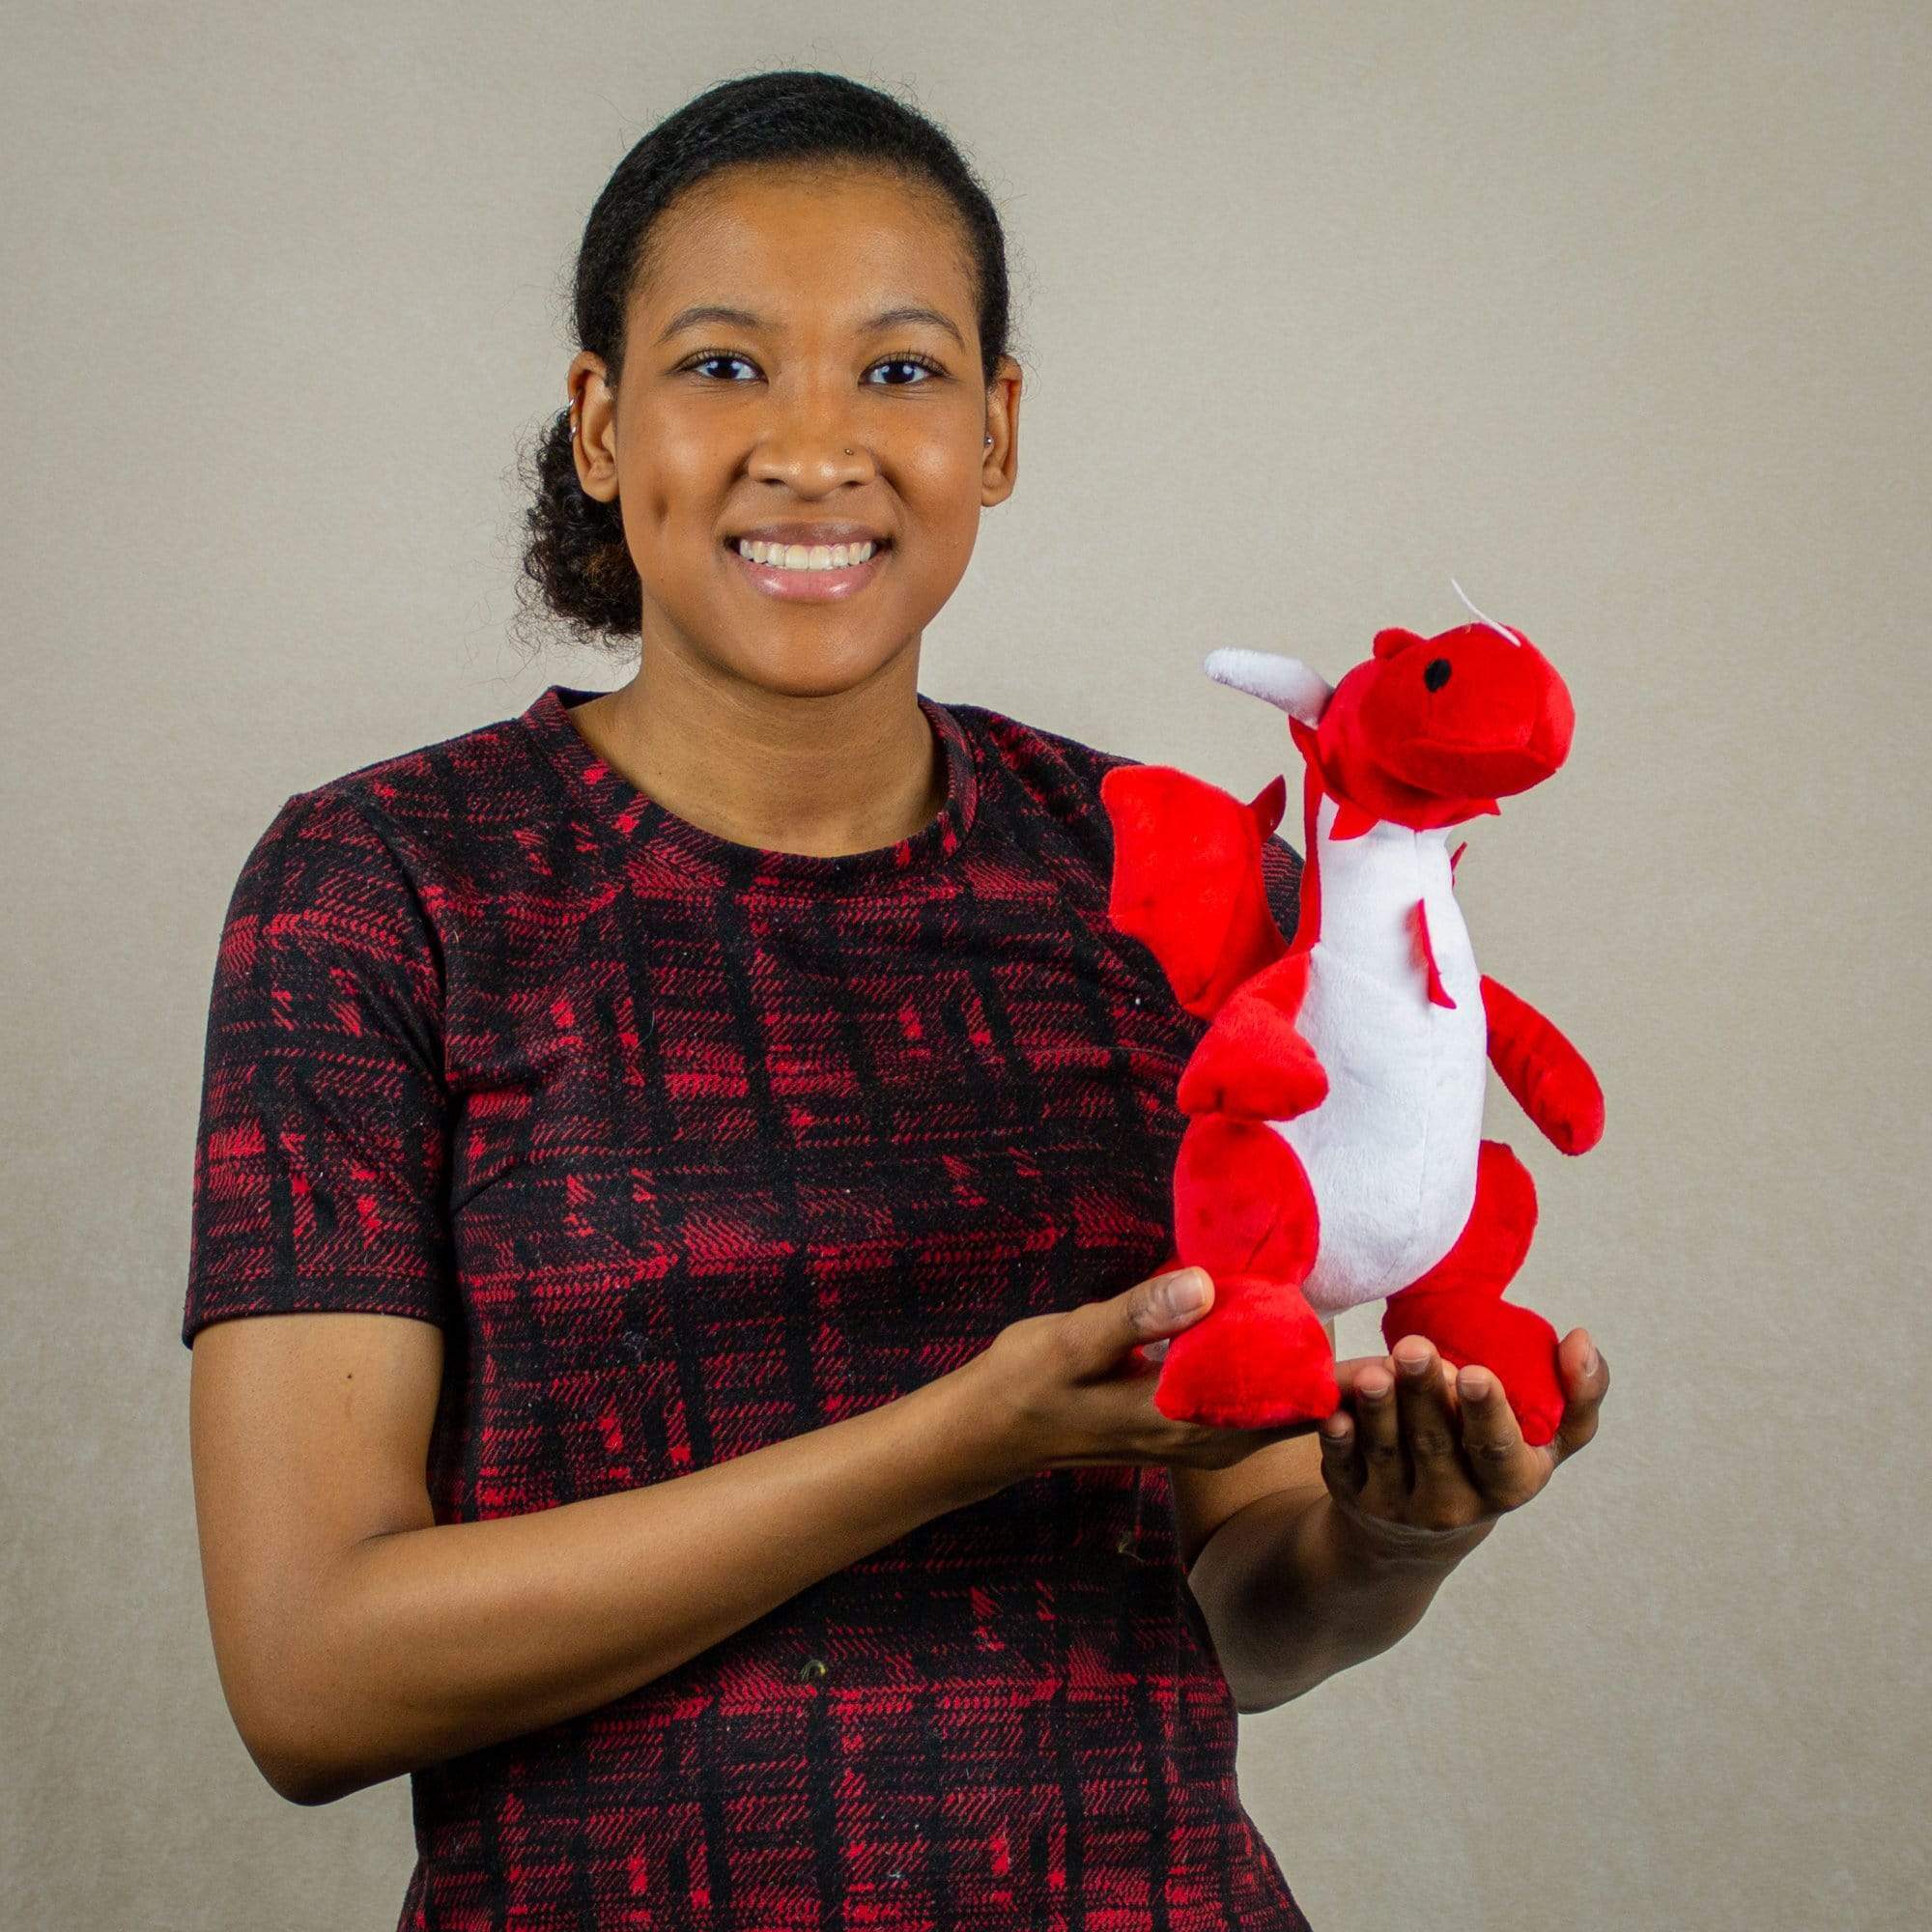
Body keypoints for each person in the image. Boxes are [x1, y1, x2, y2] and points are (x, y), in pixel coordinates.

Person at [182, 69, 1609, 1932]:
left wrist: (1388, 1540)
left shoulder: (1165, 884)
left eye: (902, 370)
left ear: (997, 433)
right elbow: (310, 1676)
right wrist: (954, 1439)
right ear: (601, 425)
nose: (813, 447)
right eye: (722, 367)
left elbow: (1238, 1609)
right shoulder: (386, 889)